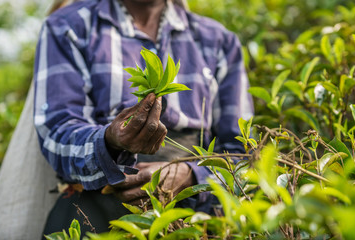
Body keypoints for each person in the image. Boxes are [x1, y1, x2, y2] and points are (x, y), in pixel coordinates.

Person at [33, 0, 254, 236]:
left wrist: (192, 176)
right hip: (93, 214)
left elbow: (242, 152)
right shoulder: (67, 26)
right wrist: (110, 141)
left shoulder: (218, 40)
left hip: (192, 221)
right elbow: (57, 131)